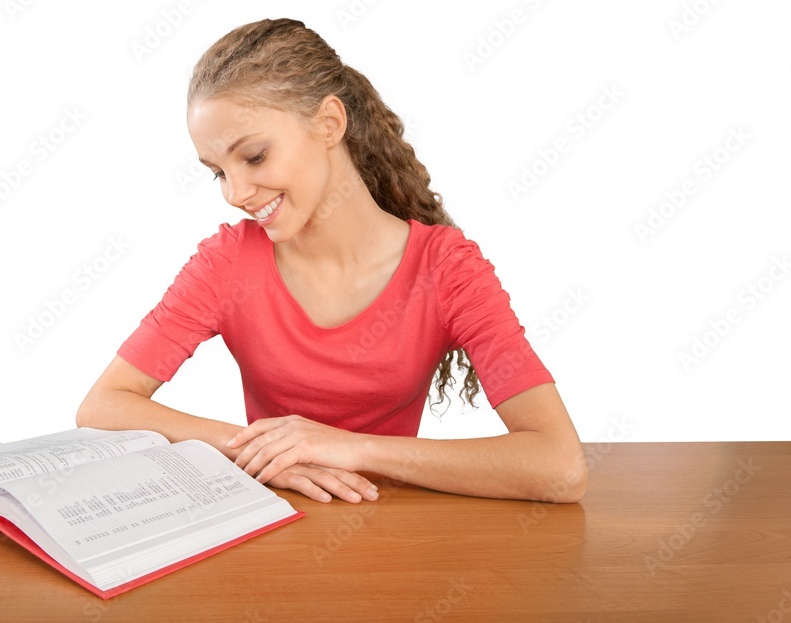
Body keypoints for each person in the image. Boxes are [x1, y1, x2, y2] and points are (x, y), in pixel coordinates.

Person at [77, 17, 587, 505]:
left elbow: (559, 466)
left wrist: (351, 447)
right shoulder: (227, 262)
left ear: (329, 122)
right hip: (273, 525)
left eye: (253, 156)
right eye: (217, 172)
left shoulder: (446, 268)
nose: (235, 193)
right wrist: (268, 452)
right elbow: (103, 406)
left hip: (398, 537)